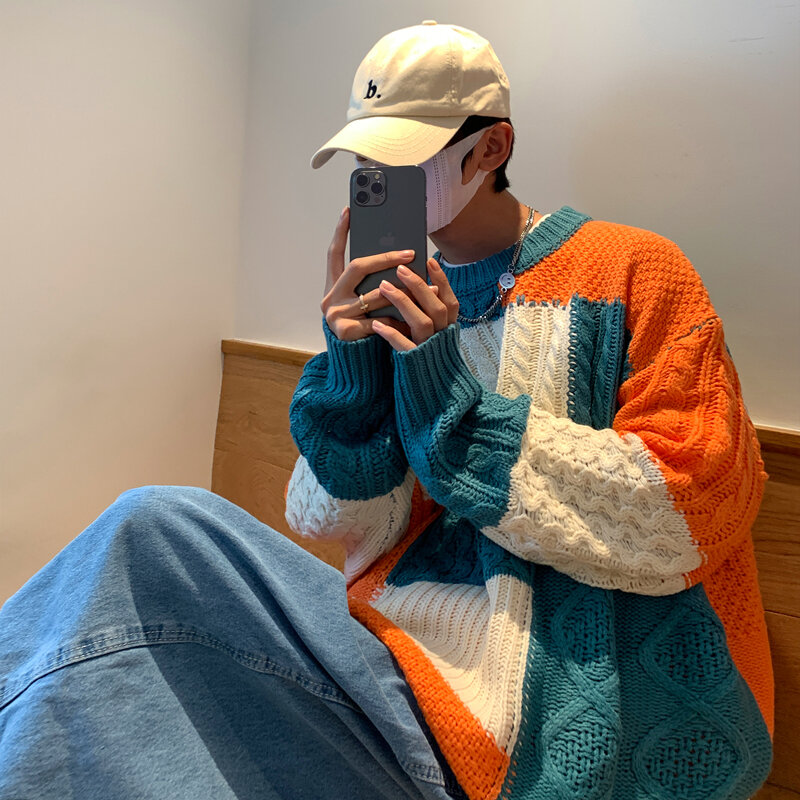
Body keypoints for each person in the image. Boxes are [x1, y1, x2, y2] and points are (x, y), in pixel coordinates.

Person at [0, 21, 773, 800]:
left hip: (549, 702)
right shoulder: (396, 301)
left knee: (153, 536)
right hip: (401, 653)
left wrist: (450, 400)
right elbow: (334, 522)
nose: (378, 179)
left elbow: (691, 507)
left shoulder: (635, 268)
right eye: (366, 161)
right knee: (138, 589)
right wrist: (356, 371)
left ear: (492, 148)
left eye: (403, 158)